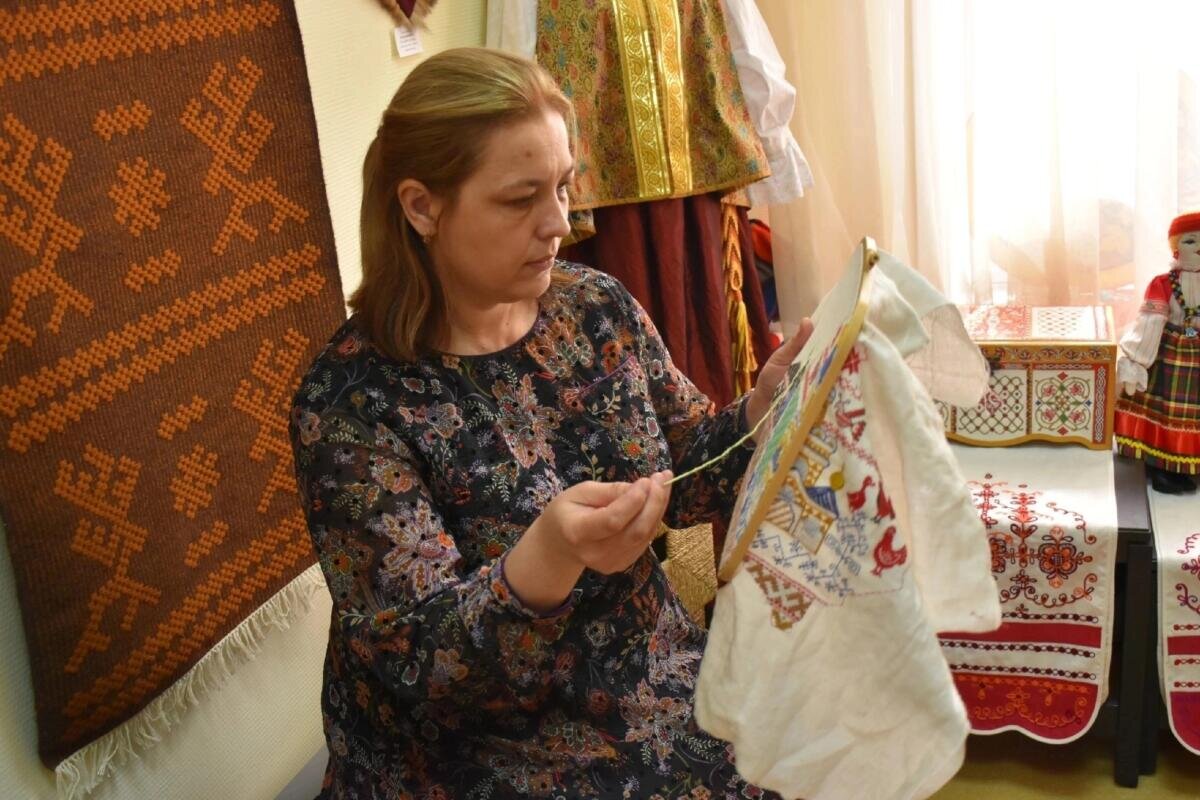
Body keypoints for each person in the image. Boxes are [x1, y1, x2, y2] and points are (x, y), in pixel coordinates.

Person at [288, 47, 808, 799]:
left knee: (813, 741)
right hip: (467, 750)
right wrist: (549, 558)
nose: (559, 223)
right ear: (422, 207)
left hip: (640, 679)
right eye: (519, 199)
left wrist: (764, 408)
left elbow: (690, 468)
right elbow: (422, 666)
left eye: (563, 187)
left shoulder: (594, 308)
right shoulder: (350, 402)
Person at [1115, 212, 1200, 493]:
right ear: (1176, 247)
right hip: (1169, 358)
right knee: (1166, 413)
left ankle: (1188, 465)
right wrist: (1136, 360)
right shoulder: (1163, 284)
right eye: (1190, 241)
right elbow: (1149, 323)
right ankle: (1163, 466)